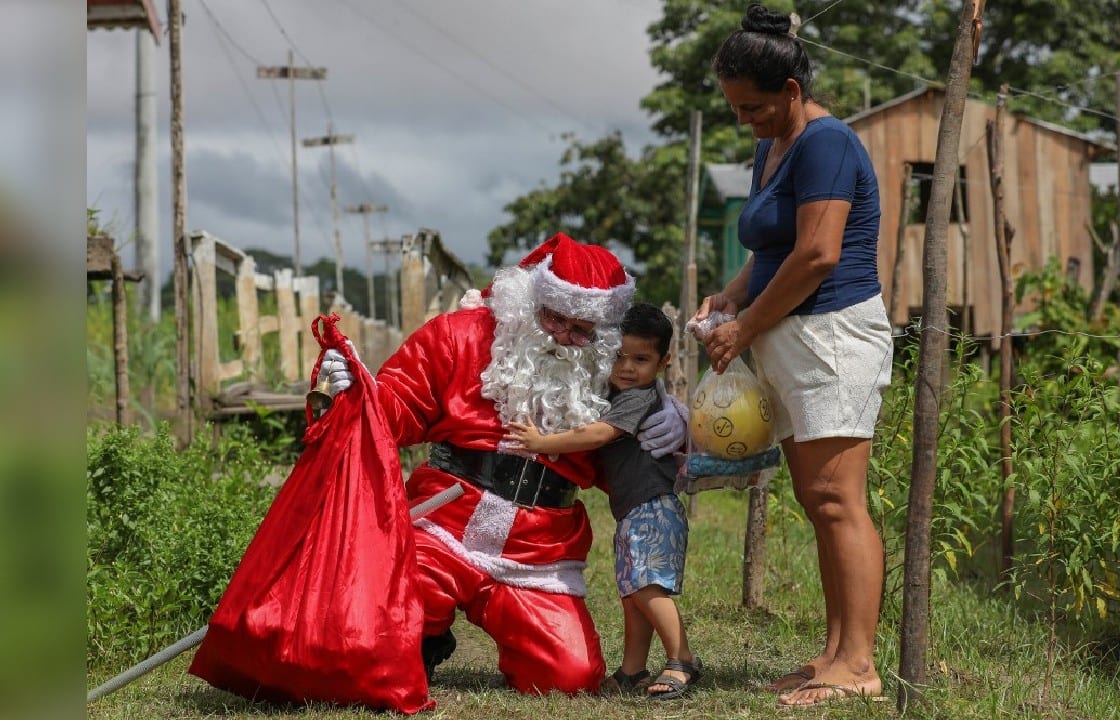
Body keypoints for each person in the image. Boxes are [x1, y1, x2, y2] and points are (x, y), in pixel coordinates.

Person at [313, 233, 689, 697]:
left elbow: (637, 426)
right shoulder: (459, 335)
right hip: (443, 522)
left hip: (538, 547)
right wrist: (355, 393)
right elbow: (398, 407)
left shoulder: (607, 371)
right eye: (554, 319)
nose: (564, 338)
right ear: (531, 302)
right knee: (373, 631)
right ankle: (423, 637)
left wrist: (674, 416)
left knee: (568, 678)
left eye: (581, 330)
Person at [694, 3, 894, 708]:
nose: (744, 120)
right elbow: (772, 247)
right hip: (792, 334)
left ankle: (861, 665)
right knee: (817, 500)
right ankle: (834, 653)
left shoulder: (827, 143)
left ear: (789, 91)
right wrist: (732, 295)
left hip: (834, 335)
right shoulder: (771, 145)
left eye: (752, 107)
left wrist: (743, 330)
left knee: (840, 499)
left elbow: (817, 253)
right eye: (734, 108)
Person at [503, 302, 702, 701]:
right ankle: (632, 671)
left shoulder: (637, 398)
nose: (627, 367)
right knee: (632, 594)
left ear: (663, 361)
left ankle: (682, 658)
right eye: (618, 356)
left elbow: (597, 435)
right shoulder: (622, 389)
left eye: (641, 359)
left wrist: (543, 443)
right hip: (633, 511)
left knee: (647, 589)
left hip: (653, 508)